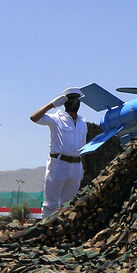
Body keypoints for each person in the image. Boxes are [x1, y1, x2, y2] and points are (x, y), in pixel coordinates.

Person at [30, 87, 88, 219]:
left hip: (76, 166)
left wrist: (82, 167)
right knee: (50, 205)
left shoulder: (82, 122)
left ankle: (63, 233)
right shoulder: (56, 119)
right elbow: (34, 117)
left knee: (69, 205)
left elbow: (82, 145)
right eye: (71, 98)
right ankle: (46, 234)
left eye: (77, 99)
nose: (75, 102)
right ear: (64, 102)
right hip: (59, 164)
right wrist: (52, 104)